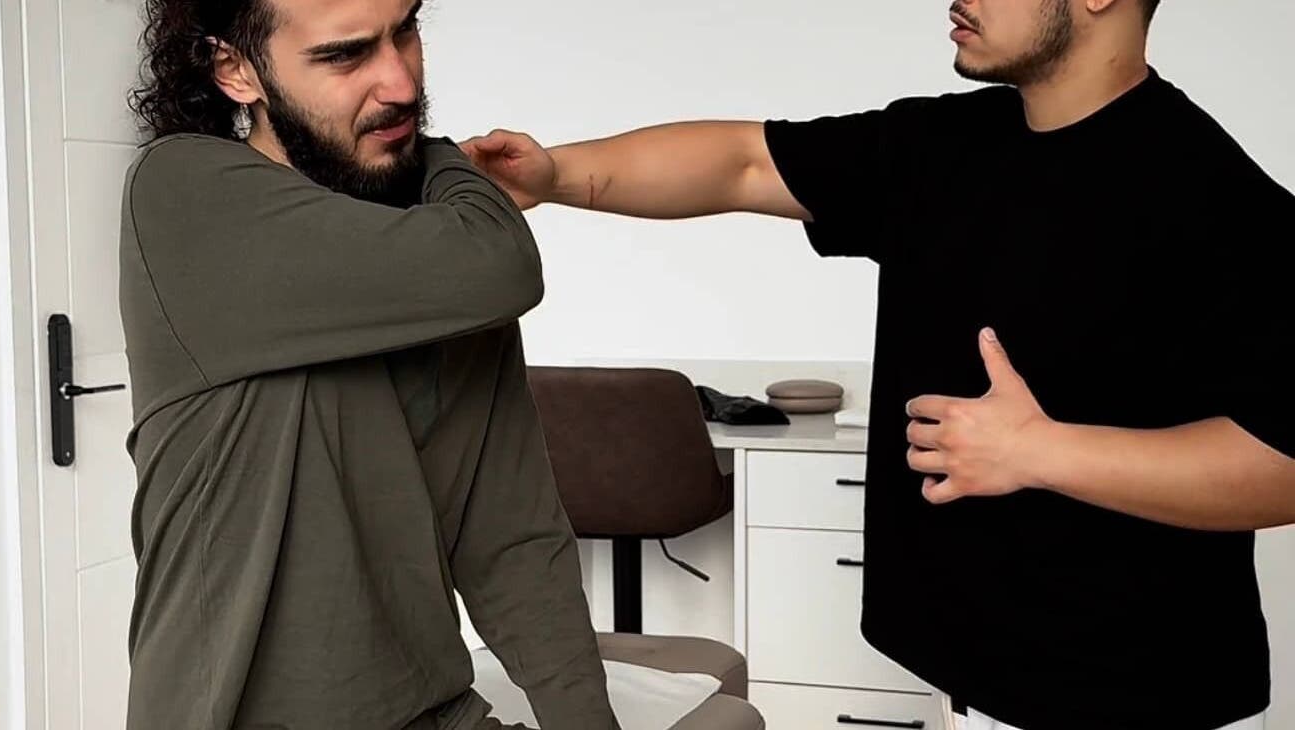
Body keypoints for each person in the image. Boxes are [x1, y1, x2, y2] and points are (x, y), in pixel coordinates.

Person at [460, 1, 1295, 728]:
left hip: (1142, 701)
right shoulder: (944, 145)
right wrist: (558, 173)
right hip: (972, 685)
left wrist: (1038, 452)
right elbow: (742, 162)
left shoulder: (1215, 196)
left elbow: (1284, 465)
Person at [119, 0, 620, 727]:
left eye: (405, 30)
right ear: (235, 69)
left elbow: (508, 529)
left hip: (436, 710)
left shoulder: (434, 256)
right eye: (345, 54)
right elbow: (500, 261)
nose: (400, 83)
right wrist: (444, 159)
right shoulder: (184, 192)